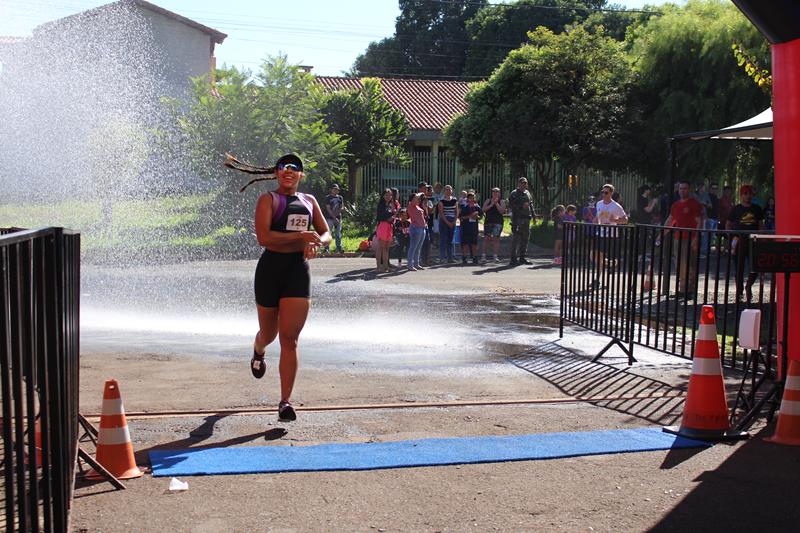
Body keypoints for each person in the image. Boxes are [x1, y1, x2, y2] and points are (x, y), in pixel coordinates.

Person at [250, 154, 330, 422]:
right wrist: (300, 236)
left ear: (301, 175)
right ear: (276, 173)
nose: (289, 171)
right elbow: (265, 237)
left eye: (295, 168)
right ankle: (258, 349)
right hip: (270, 269)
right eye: (284, 167)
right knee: (269, 333)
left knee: (290, 339)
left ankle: (285, 401)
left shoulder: (309, 201)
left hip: (298, 270)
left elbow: (326, 232)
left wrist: (317, 241)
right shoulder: (268, 200)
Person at [661, 181, 703, 297]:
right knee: (679, 263)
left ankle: (690, 289)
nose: (682, 191)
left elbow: (699, 221)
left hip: (690, 237)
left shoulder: (694, 204)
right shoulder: (675, 205)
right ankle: (682, 288)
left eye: (684, 188)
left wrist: (696, 238)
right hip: (678, 237)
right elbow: (671, 220)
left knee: (690, 263)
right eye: (680, 188)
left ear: (689, 189)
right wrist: (662, 233)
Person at [727, 185, 765, 302]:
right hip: (739, 241)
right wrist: (731, 236)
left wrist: (760, 237)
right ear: (741, 195)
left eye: (749, 194)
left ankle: (749, 285)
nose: (748, 196)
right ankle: (739, 292)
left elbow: (760, 225)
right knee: (739, 268)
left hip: (753, 241)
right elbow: (728, 223)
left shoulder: (757, 208)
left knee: (755, 266)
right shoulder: (736, 209)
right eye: (745, 193)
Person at [591, 183, 628, 288]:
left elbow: (625, 220)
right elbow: (597, 217)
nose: (604, 194)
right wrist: (594, 221)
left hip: (611, 235)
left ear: (611, 193)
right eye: (602, 192)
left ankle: (599, 279)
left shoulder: (616, 206)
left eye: (606, 192)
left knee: (600, 256)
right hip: (600, 233)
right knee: (594, 256)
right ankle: (607, 266)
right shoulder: (598, 204)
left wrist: (614, 220)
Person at [508, 177, 534, 266]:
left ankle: (522, 257)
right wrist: (521, 206)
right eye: (522, 183)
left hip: (527, 219)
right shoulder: (514, 193)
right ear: (518, 183)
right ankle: (513, 258)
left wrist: (534, 216)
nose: (524, 184)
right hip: (517, 219)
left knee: (525, 239)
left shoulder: (527, 193)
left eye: (525, 183)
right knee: (516, 239)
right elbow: (511, 205)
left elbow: (531, 204)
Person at [481, 187, 506, 263]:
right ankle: (483, 256)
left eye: (497, 192)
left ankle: (495, 256)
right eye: (494, 192)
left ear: (499, 193)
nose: (495, 193)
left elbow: (502, 211)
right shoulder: (488, 200)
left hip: (498, 222)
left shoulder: (502, 201)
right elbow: (483, 210)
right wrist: (491, 204)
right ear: (492, 193)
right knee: (486, 238)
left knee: (496, 239)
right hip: (488, 221)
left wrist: (496, 204)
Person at [374, 188, 396, 273]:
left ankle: (386, 267)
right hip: (383, 226)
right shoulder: (381, 205)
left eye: (390, 195)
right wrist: (389, 218)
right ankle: (379, 267)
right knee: (381, 247)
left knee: (386, 248)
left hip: (389, 227)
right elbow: (380, 217)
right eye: (386, 195)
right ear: (383, 196)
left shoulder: (390, 206)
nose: (388, 196)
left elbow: (392, 216)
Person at [459, 192, 482, 264]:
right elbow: (461, 217)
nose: (472, 199)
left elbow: (481, 216)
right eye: (470, 198)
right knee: (465, 243)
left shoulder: (477, 207)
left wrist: (477, 217)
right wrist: (470, 216)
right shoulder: (464, 207)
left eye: (473, 198)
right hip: (466, 227)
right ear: (467, 199)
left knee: (474, 243)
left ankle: (474, 257)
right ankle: (464, 257)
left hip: (474, 227)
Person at [438, 184, 459, 263]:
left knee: (450, 240)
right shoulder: (441, 200)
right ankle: (442, 258)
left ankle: (450, 258)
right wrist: (447, 222)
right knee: (443, 239)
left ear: (452, 191)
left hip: (452, 220)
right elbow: (441, 213)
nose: (448, 191)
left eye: (449, 189)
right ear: (444, 191)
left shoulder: (454, 200)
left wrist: (454, 221)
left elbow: (456, 211)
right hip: (444, 221)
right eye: (446, 189)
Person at [406, 193, 427, 270]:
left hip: (422, 228)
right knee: (413, 247)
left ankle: (416, 263)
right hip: (416, 228)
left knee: (418, 247)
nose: (418, 200)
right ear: (411, 200)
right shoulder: (410, 206)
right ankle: (410, 264)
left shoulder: (417, 206)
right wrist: (419, 194)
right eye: (416, 198)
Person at [323, 183, 343, 254]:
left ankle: (339, 248)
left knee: (338, 234)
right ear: (331, 190)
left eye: (337, 189)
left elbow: (341, 207)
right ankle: (326, 248)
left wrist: (338, 214)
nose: (335, 191)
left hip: (338, 218)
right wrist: (334, 217)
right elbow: (328, 209)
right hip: (330, 218)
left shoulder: (340, 197)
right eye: (334, 189)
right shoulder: (328, 198)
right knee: (328, 233)